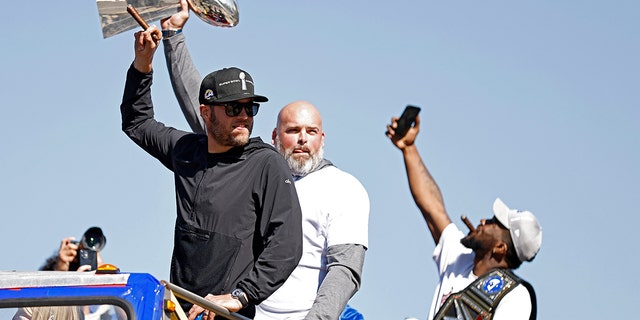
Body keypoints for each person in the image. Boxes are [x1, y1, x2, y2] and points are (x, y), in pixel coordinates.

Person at [160, 3, 370, 319]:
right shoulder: (252, 168)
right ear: (273, 136)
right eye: (293, 130)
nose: (302, 139)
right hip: (248, 309)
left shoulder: (342, 187)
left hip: (311, 313)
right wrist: (173, 36)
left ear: (322, 139)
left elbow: (345, 268)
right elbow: (204, 109)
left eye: (311, 131)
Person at [119, 24, 303, 320]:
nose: (243, 115)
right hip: (178, 312)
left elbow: (287, 246)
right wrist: (143, 65)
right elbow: (137, 123)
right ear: (206, 112)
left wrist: (240, 296)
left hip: (227, 316)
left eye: (249, 108)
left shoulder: (267, 164)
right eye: (233, 108)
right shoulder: (186, 150)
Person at [386, 114, 542, 320]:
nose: (484, 222)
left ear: (500, 248)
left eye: (494, 223)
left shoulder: (515, 295)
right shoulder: (460, 260)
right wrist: (408, 148)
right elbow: (433, 209)